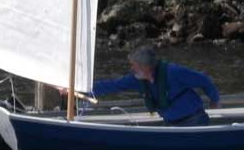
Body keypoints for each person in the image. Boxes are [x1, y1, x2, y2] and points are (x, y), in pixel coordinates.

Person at [90, 46, 219, 126]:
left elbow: (203, 80)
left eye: (134, 65)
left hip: (194, 121)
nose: (131, 69)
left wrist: (214, 99)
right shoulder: (136, 79)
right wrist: (84, 89)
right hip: (170, 123)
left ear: (145, 67)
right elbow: (112, 85)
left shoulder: (174, 72)